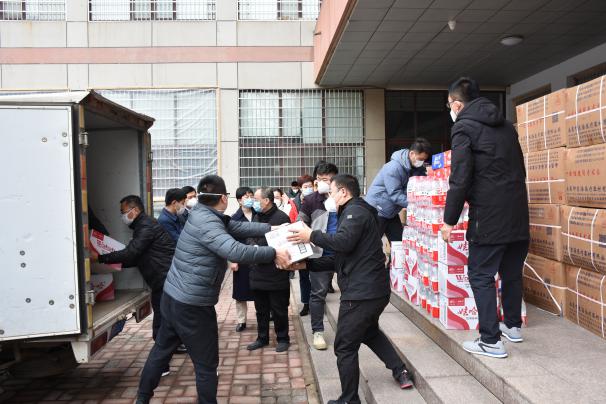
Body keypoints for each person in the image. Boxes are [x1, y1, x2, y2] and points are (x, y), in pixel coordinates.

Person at [136, 175, 291, 404]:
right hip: (193, 305)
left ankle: (142, 399)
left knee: (161, 351)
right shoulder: (208, 222)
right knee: (206, 365)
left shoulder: (202, 214)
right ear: (223, 198)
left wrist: (273, 227)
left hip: (173, 296)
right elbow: (235, 251)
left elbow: (237, 226)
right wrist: (273, 252)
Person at [287, 174, 413, 404]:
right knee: (369, 332)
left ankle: (349, 399)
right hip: (373, 290)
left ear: (343, 192)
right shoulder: (355, 212)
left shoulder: (355, 213)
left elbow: (342, 243)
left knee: (344, 346)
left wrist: (311, 235)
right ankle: (400, 370)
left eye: (332, 192)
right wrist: (308, 265)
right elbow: (341, 258)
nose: (329, 197)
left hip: (361, 293)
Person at [440, 77, 529, 359]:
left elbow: (460, 179)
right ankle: (512, 326)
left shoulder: (463, 127)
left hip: (489, 216)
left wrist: (449, 221)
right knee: (511, 272)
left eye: (449, 105)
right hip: (518, 212)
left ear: (457, 104)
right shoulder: (507, 126)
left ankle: (490, 340)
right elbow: (521, 169)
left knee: (480, 274)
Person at [90, 195, 176, 374]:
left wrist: (101, 258)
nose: (122, 216)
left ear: (134, 210)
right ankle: (175, 353)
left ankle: (162, 365)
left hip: (164, 280)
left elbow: (131, 253)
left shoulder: (145, 226)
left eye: (123, 212)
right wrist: (112, 263)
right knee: (168, 321)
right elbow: (135, 257)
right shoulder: (143, 226)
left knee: (161, 324)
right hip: (163, 279)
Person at [298, 161, 339, 350]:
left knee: (350, 292)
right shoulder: (310, 200)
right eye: (322, 179)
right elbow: (300, 223)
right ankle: (318, 332)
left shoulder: (343, 197)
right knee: (318, 294)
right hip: (319, 254)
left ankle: (348, 329)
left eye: (329, 179)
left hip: (343, 252)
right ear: (316, 180)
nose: (326, 182)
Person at [246, 187, 292, 353]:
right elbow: (249, 236)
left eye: (256, 199)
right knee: (261, 310)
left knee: (279, 309)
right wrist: (253, 247)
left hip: (276, 272)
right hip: (257, 270)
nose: (253, 202)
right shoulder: (257, 216)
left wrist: (260, 248)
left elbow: (285, 243)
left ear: (266, 201)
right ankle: (262, 338)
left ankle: (283, 338)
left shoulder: (282, 218)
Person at [365, 138, 431, 242]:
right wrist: (416, 204)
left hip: (390, 211)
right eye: (420, 159)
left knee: (399, 242)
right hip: (377, 210)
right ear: (412, 154)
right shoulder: (394, 167)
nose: (421, 162)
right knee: (372, 244)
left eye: (423, 160)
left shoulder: (410, 167)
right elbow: (395, 194)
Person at [230, 186, 256, 332]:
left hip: (259, 256)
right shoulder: (234, 218)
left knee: (260, 289)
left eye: (251, 196)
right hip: (242, 258)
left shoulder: (258, 214)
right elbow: (231, 241)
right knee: (240, 292)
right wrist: (233, 260)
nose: (250, 199)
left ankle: (264, 315)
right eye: (246, 197)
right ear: (239, 200)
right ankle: (241, 320)